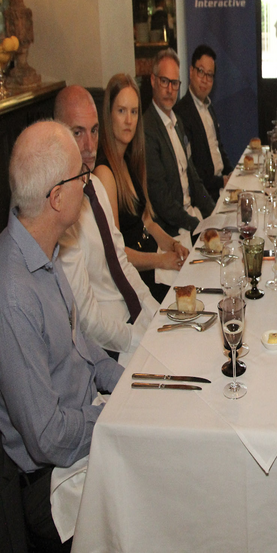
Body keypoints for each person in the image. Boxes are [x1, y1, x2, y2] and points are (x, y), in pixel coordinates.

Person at [0, 120, 125, 553]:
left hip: (82, 423)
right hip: (48, 481)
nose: (87, 184)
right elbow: (49, 438)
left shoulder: (44, 250)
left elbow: (87, 351)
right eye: (80, 178)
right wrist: (119, 416)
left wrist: (134, 382)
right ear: (57, 198)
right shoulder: (10, 295)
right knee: (168, 526)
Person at [54, 85, 160, 361]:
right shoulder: (60, 212)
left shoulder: (96, 186)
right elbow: (87, 319)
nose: (90, 146)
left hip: (133, 320)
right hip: (108, 347)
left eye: (94, 130)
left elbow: (121, 261)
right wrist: (140, 339)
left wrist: (155, 313)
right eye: (78, 132)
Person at [94, 73, 189, 303]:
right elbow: (117, 253)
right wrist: (162, 260)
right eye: (121, 111)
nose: (129, 120)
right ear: (108, 115)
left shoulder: (130, 160)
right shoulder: (104, 173)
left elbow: (148, 223)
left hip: (153, 266)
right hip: (136, 280)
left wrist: (174, 245)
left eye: (134, 112)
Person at [144, 49, 216, 235]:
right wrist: (197, 226)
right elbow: (162, 200)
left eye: (174, 83)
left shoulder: (177, 123)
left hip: (191, 217)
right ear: (153, 81)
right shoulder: (147, 129)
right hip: (173, 230)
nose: (170, 90)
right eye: (164, 81)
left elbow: (193, 176)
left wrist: (213, 212)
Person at [173, 44, 234, 201]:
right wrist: (223, 181)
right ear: (191, 72)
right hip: (206, 194)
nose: (205, 80)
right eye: (201, 72)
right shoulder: (181, 113)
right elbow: (192, 170)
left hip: (222, 186)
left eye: (210, 75)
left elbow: (218, 147)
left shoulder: (209, 107)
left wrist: (231, 174)